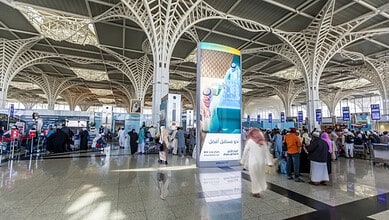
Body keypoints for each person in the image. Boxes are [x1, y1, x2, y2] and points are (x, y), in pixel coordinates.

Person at [241, 128, 273, 198]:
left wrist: (242, 161)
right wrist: (269, 162)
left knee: (254, 177)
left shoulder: (249, 141)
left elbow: (245, 152)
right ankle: (260, 188)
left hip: (252, 163)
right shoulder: (263, 142)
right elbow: (267, 153)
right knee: (260, 176)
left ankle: (256, 191)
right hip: (261, 163)